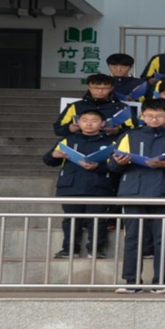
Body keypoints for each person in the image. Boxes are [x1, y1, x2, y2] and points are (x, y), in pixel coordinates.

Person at [108, 98, 165, 294]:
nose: (154, 120)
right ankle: (131, 281)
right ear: (142, 115)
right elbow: (112, 166)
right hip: (133, 192)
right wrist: (119, 162)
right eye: (149, 116)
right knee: (133, 238)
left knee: (164, 238)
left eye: (159, 116)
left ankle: (161, 282)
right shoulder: (129, 136)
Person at [43, 109, 118, 259]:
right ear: (78, 122)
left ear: (102, 123)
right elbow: (48, 161)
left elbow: (117, 166)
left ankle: (95, 249)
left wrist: (99, 166)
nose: (89, 124)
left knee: (97, 219)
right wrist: (53, 155)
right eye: (84, 120)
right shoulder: (67, 140)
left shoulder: (111, 142)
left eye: (94, 121)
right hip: (71, 185)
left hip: (99, 185)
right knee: (71, 219)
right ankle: (69, 249)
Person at [54, 74, 133, 137]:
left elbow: (134, 130)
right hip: (79, 143)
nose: (100, 91)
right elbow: (58, 128)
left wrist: (118, 131)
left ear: (111, 88)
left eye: (105, 88)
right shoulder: (76, 106)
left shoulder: (122, 107)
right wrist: (69, 129)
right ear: (89, 87)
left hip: (111, 144)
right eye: (96, 88)